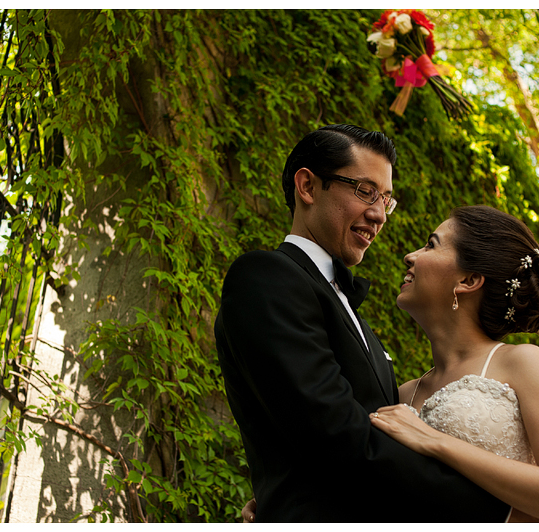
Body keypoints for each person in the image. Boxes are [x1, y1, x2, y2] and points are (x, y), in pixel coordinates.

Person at [215, 124, 510, 522]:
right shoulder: (266, 277)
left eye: (386, 200)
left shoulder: (358, 321)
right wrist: (495, 511)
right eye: (365, 191)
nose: (378, 214)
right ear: (308, 187)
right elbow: (335, 435)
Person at [366, 205, 539, 522]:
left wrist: (432, 440)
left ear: (469, 279)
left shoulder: (522, 362)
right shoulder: (402, 393)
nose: (410, 256)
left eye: (431, 244)